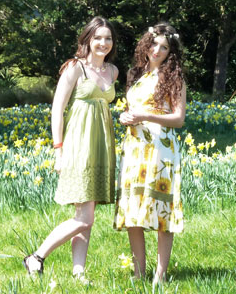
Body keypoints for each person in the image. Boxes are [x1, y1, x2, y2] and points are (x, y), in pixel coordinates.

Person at [22, 16, 118, 279]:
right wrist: (58, 150)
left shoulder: (112, 71)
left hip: (102, 147)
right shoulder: (76, 68)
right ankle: (36, 257)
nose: (103, 43)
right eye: (97, 38)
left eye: (107, 38)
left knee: (86, 215)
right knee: (84, 218)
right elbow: (57, 109)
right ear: (87, 39)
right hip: (78, 147)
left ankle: (78, 273)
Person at [113, 23, 186, 285]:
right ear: (146, 44)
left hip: (160, 149)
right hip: (135, 148)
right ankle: (139, 272)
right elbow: (134, 109)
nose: (157, 50)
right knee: (134, 210)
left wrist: (143, 115)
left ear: (171, 53)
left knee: (162, 210)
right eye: (154, 44)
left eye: (164, 47)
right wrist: (126, 117)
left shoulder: (173, 78)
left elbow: (178, 119)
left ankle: (160, 274)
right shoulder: (137, 75)